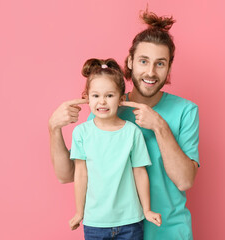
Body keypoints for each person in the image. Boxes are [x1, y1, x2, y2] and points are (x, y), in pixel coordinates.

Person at [49, 9, 199, 240]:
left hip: (168, 231)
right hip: (114, 231)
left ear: (169, 67)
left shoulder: (186, 111)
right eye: (143, 61)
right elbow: (69, 175)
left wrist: (159, 126)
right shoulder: (106, 109)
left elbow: (185, 180)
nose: (150, 71)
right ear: (130, 62)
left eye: (160, 63)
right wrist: (54, 129)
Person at [68, 58, 161, 239]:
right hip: (95, 223)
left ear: (120, 99)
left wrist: (147, 210)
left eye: (109, 96)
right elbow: (80, 174)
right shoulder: (81, 133)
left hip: (130, 222)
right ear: (87, 98)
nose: (102, 102)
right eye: (96, 96)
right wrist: (79, 213)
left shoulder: (132, 132)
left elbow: (140, 172)